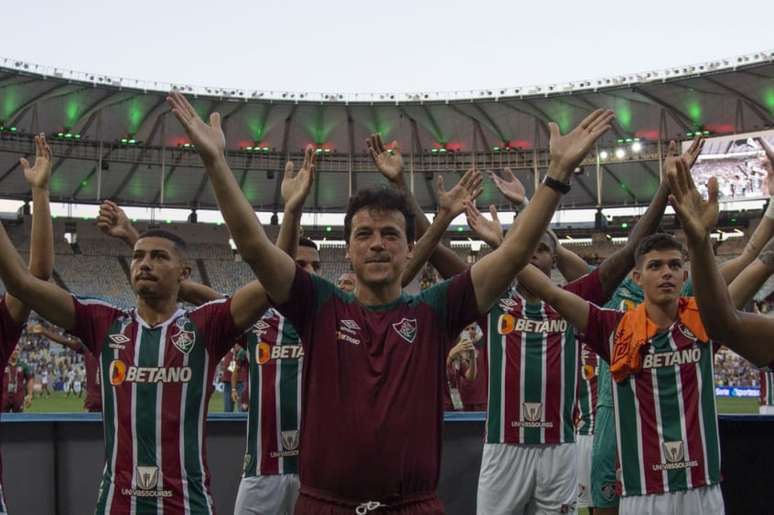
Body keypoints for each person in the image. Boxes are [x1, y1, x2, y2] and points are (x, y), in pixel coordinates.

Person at [168, 89, 613, 512]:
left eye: (390, 234)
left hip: (414, 505)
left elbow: (514, 254)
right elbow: (252, 246)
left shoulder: (436, 310)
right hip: (325, 505)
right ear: (348, 248)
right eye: (364, 234)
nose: (377, 244)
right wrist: (215, 161)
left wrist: (555, 177)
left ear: (408, 248)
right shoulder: (318, 304)